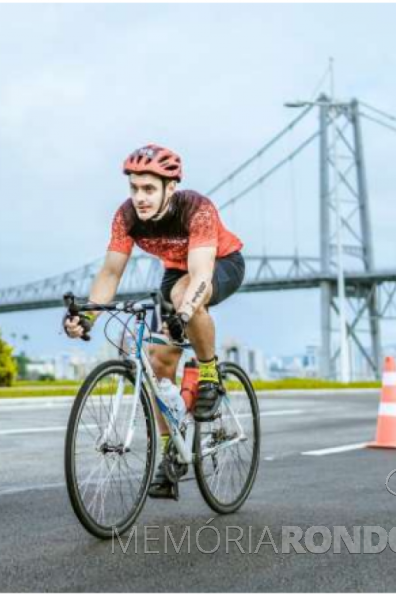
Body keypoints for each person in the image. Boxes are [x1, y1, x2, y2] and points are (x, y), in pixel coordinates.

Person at [64, 143, 246, 499]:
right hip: (176, 271)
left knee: (183, 297)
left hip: (219, 265)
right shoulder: (126, 216)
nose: (140, 197)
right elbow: (111, 272)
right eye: (134, 188)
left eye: (149, 189)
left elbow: (201, 275)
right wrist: (87, 315)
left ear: (170, 188)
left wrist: (183, 314)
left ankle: (209, 374)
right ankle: (171, 453)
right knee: (158, 360)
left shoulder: (197, 210)